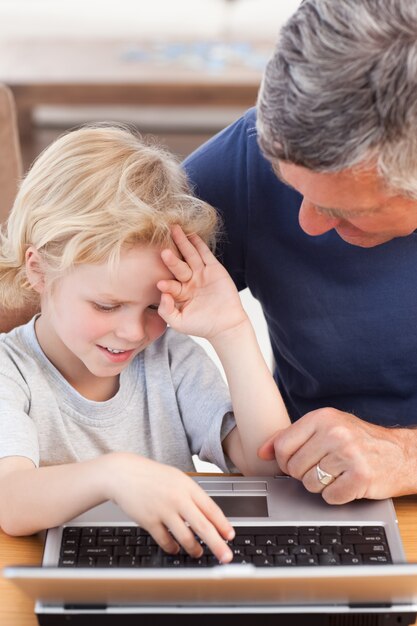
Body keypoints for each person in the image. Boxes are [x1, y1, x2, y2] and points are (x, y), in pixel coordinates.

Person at [0, 125, 289, 563]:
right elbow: (12, 502)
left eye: (154, 307)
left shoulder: (168, 358)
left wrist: (232, 330)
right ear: (39, 271)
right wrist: (114, 475)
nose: (134, 332)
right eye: (106, 304)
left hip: (171, 571)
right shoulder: (11, 370)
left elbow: (267, 465)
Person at [183, 0, 417, 505]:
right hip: (310, 500)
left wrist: (405, 456)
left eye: (343, 209)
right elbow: (55, 279)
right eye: (293, 189)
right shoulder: (252, 155)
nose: (306, 224)